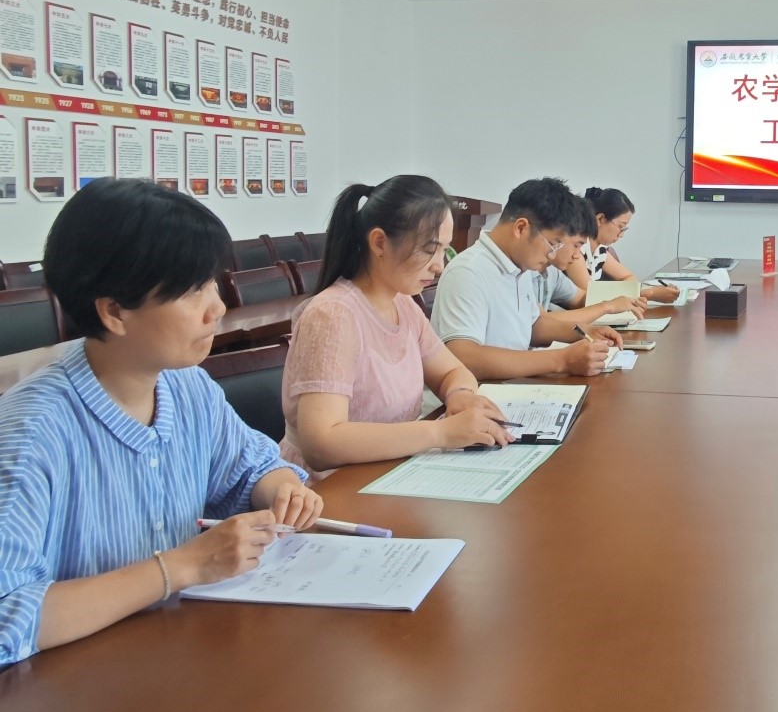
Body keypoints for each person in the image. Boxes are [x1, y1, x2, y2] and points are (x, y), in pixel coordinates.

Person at [0, 179, 323, 669]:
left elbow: (249, 468)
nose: (217, 307)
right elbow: (9, 615)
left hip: (178, 656)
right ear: (114, 312)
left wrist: (282, 490)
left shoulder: (186, 386)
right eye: (193, 291)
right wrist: (181, 567)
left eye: (212, 282)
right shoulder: (31, 433)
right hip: (75, 686)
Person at [281, 175, 510, 472]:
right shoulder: (332, 315)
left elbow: (452, 372)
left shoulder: (403, 304)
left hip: (387, 473)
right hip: (328, 486)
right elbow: (321, 444)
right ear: (379, 243)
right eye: (429, 249)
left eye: (444, 250)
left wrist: (461, 396)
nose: (439, 266)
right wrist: (439, 433)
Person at [434, 177, 622, 380]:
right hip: (478, 392)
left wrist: (584, 332)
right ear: (521, 228)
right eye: (552, 244)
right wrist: (561, 360)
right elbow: (463, 357)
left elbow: (533, 325)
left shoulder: (520, 267)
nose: (552, 255)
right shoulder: (469, 272)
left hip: (512, 383)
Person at [560, 186, 680, 304]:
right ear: (600, 219)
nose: (621, 235)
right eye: (620, 227)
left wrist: (624, 292)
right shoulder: (575, 252)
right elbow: (591, 296)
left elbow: (630, 277)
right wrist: (649, 293)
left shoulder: (600, 250)